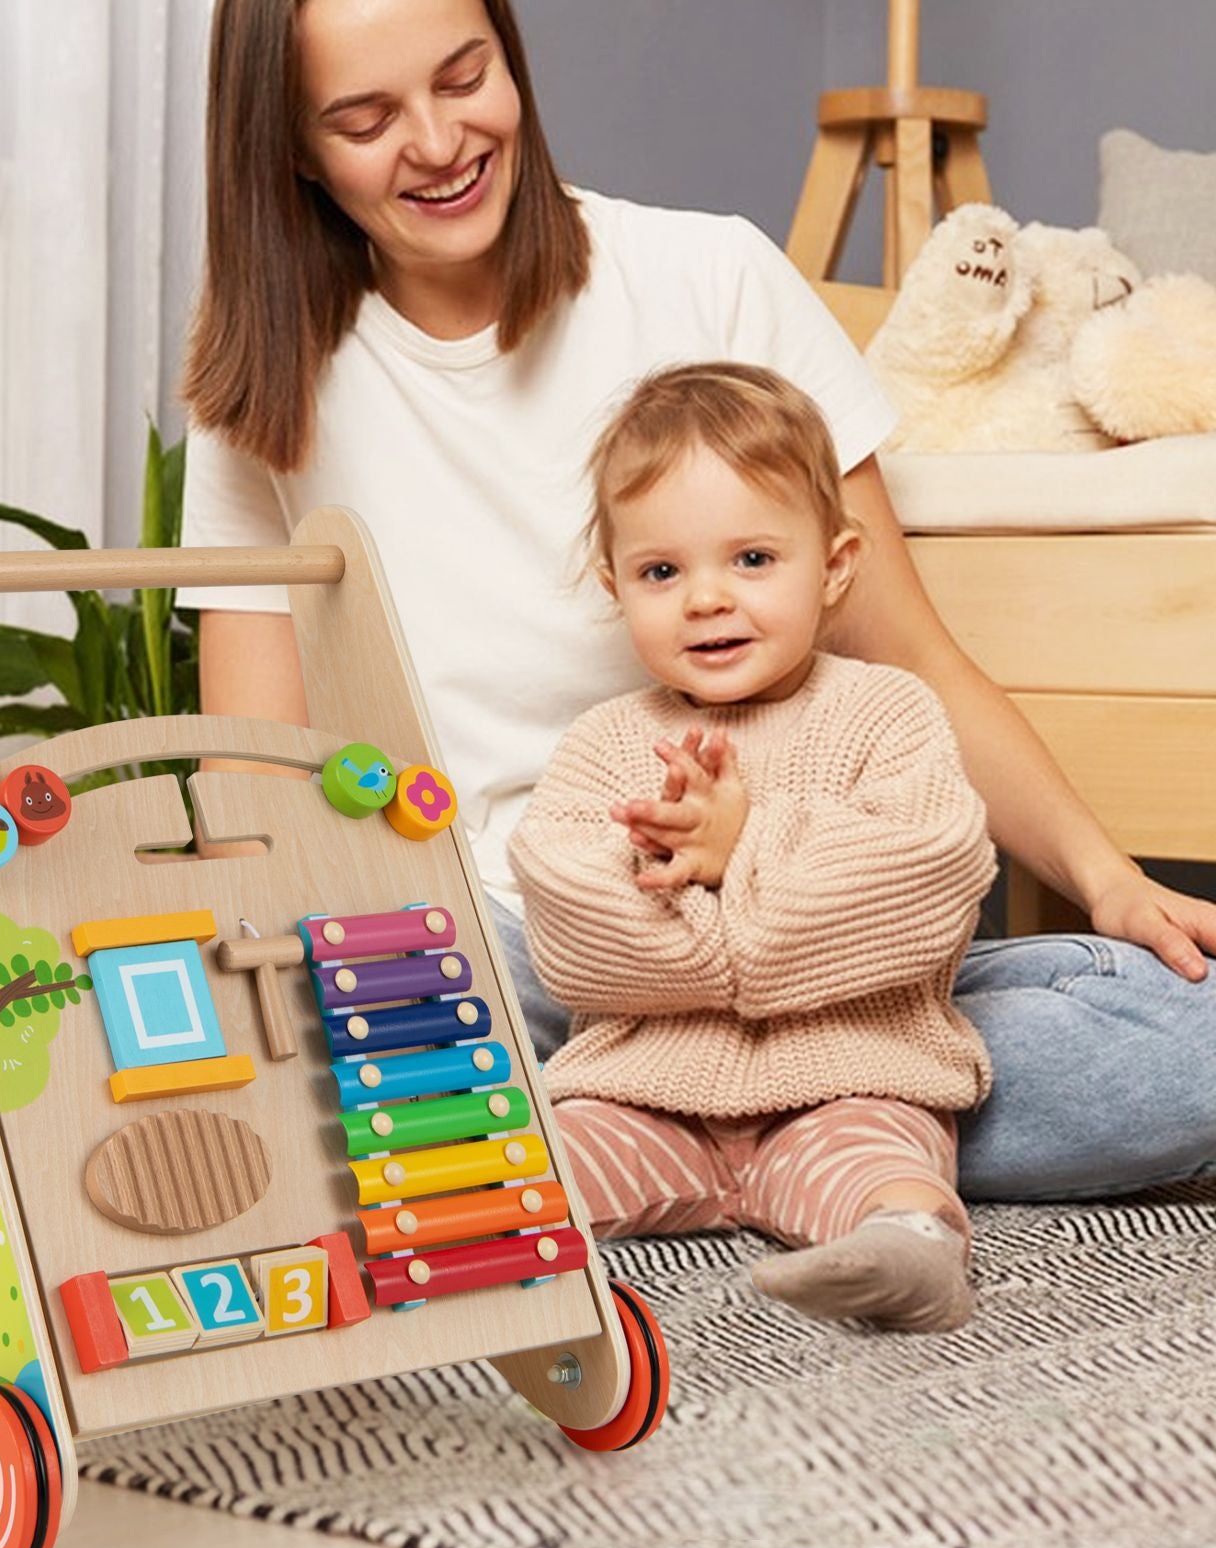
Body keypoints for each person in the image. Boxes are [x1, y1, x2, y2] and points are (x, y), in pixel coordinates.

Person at [173, 0, 1216, 1203]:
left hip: (820, 948)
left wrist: (1107, 876)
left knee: (1181, 1034)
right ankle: (820, 1130)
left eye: (464, 77)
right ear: (294, 147)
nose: (437, 141)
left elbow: (911, 653)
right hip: (516, 948)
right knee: (274, 1047)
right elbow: (252, 780)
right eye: (364, 118)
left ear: (510, 58)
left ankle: (656, 1131)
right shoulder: (267, 381)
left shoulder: (706, 273)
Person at [508, 362, 996, 1330]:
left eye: (752, 560)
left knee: (878, 1164)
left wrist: (740, 852)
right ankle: (412, 1246)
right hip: (641, 1094)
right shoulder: (606, 742)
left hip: (846, 1077)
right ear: (616, 586)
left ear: (836, 566)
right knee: (537, 1169)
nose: (704, 599)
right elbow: (572, 939)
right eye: (661, 571)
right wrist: (679, 879)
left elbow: (929, 880)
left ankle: (906, 1252)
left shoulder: (883, 710)